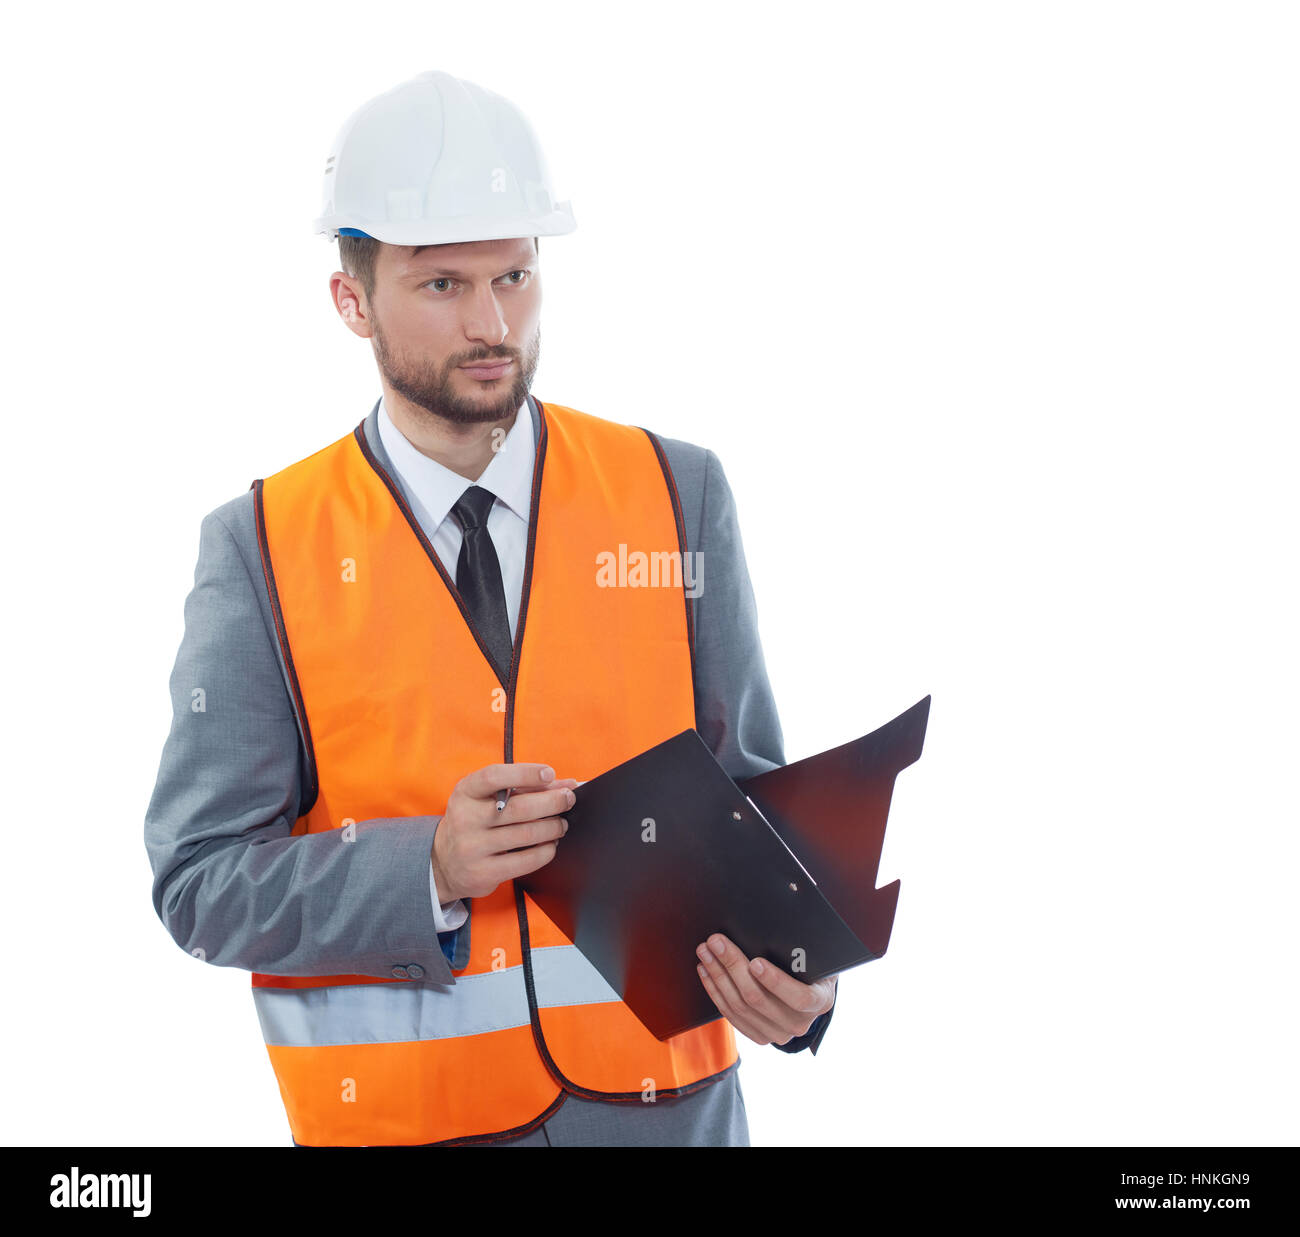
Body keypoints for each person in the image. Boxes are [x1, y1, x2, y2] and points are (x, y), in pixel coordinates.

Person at [143, 69, 836, 1148]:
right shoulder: (262, 546)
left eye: (513, 276)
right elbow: (199, 882)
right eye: (441, 286)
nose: (491, 322)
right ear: (350, 300)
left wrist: (804, 978)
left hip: (672, 1121)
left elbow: (752, 807)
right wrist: (425, 868)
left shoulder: (674, 491)